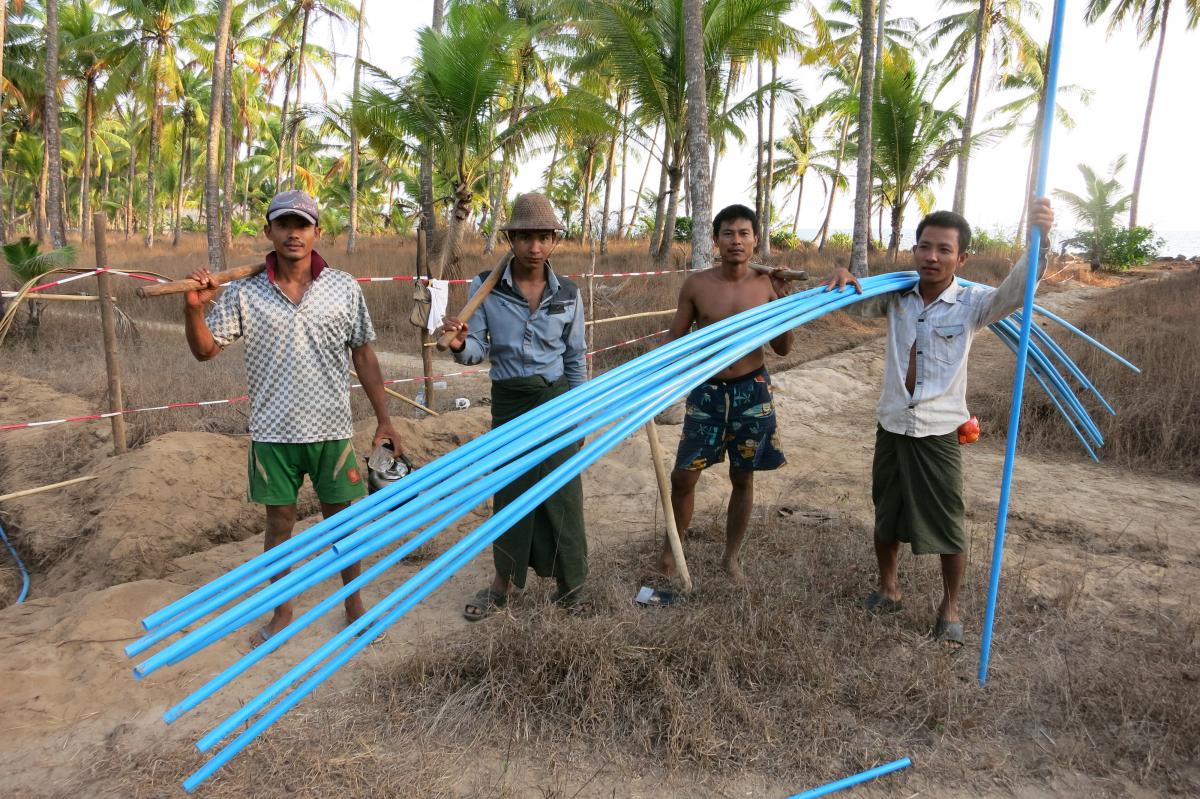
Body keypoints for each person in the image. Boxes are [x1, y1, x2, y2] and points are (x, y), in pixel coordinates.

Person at [825, 198, 1055, 650]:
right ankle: (888, 589)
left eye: (944, 250)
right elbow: (852, 304)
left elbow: (1016, 290)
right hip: (892, 423)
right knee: (886, 513)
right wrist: (843, 281)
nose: (932, 257)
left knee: (949, 522)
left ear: (961, 257)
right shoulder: (894, 295)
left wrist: (1039, 241)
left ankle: (950, 607)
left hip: (938, 431)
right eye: (925, 247)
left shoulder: (974, 305)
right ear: (914, 250)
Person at [183, 190, 401, 644]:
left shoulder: (342, 287)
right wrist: (194, 309)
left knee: (340, 521)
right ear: (270, 232)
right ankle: (282, 611)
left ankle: (354, 602)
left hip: (332, 431)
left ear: (316, 233)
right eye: (284, 224)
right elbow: (205, 351)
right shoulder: (245, 291)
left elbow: (363, 354)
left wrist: (385, 419)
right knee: (279, 524)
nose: (293, 233)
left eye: (302, 225)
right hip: (272, 434)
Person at [440, 192, 588, 620]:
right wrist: (457, 343)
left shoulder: (569, 294)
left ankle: (570, 586)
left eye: (543, 237)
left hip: (556, 402)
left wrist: (577, 416)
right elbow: (476, 349)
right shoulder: (486, 287)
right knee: (511, 493)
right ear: (511, 238)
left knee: (562, 494)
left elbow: (575, 357)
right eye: (524, 237)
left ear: (554, 240)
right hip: (511, 405)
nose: (534, 247)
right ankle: (501, 586)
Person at [658, 204, 794, 584]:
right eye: (728, 233)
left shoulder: (768, 285)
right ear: (715, 240)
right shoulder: (698, 285)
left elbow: (783, 348)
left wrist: (783, 302)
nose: (736, 241)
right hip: (706, 391)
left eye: (744, 233)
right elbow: (675, 340)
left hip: (752, 388)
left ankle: (731, 558)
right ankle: (672, 551)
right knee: (684, 477)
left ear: (755, 240)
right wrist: (651, 376)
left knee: (744, 476)